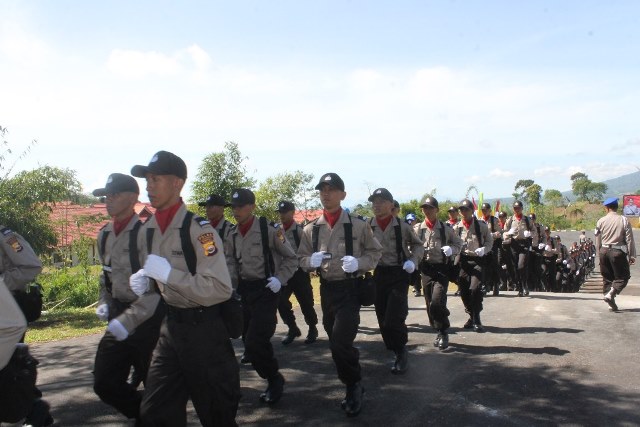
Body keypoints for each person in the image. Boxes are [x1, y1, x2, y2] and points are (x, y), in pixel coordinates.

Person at [130, 150, 240, 426]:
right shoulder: (148, 230)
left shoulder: (198, 230)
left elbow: (219, 287)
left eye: (156, 179)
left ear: (177, 183)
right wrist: (147, 283)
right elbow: (157, 277)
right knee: (155, 412)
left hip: (204, 332)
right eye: (147, 180)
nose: (149, 186)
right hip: (171, 329)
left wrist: (168, 275)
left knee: (216, 415)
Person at [298, 173, 382, 417]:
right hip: (326, 290)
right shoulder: (311, 229)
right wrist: (308, 261)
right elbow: (300, 258)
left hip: (350, 291)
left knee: (340, 342)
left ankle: (353, 384)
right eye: (322, 190)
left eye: (332, 189)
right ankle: (351, 381)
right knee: (336, 343)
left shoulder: (357, 224)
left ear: (343, 195)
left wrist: (359, 263)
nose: (326, 194)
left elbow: (375, 252)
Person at [92, 173, 165, 423]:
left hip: (147, 317)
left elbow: (163, 285)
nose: (107, 200)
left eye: (113, 195)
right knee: (104, 381)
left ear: (133, 198)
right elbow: (106, 277)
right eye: (105, 196)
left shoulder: (148, 234)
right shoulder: (104, 235)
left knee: (155, 385)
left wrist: (151, 282)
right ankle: (143, 415)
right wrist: (104, 302)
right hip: (118, 313)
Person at [224, 189, 297, 405]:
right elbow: (230, 263)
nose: (236, 211)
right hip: (244, 292)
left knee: (256, 341)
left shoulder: (269, 231)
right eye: (234, 207)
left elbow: (291, 259)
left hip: (266, 291)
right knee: (249, 342)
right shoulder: (232, 234)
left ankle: (274, 379)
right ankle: (271, 375)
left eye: (241, 206)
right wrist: (229, 288)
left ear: (252, 207)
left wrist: (280, 279)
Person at [0, 225, 53, 426]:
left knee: (10, 372)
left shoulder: (6, 237)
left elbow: (31, 266)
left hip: (6, 316)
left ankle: (36, 412)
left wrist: (1, 284)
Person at [368, 188, 423, 374]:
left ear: (391, 205)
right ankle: (393, 346)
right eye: (374, 201)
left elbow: (417, 245)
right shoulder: (367, 226)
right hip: (379, 274)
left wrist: (413, 261)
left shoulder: (402, 226)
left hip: (399, 273)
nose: (377, 205)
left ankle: (401, 351)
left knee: (394, 316)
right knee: (382, 318)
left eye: (381, 201)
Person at [413, 196, 463, 350]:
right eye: (424, 208)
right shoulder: (417, 230)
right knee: (430, 304)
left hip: (442, 269)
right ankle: (438, 326)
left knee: (437, 300)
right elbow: (410, 246)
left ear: (437, 210)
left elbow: (458, 243)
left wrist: (451, 250)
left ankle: (443, 330)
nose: (427, 211)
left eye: (430, 208)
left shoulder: (446, 229)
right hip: (426, 269)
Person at [275, 200, 319, 345]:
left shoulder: (299, 231)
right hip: (285, 273)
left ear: (292, 212)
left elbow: (308, 250)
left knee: (306, 303)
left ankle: (312, 328)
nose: (282, 215)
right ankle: (292, 328)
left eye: (285, 212)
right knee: (281, 302)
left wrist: (310, 268)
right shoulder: (278, 231)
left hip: (299, 272)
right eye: (280, 212)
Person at [454, 200, 493, 332]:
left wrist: (484, 250)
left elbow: (489, 241)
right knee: (464, 291)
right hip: (464, 261)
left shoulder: (481, 226)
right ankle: (471, 314)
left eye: (466, 209)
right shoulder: (457, 228)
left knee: (475, 289)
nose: (463, 212)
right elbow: (453, 243)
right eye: (461, 210)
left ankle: (476, 317)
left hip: (478, 261)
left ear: (472, 211)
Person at [595, 197, 637, 311]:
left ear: (607, 208)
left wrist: (599, 254)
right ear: (616, 207)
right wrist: (632, 255)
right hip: (617, 251)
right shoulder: (623, 220)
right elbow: (629, 239)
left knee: (607, 278)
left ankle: (610, 302)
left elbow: (597, 239)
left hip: (604, 251)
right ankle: (611, 294)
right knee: (623, 276)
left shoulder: (601, 221)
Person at [503, 201, 537, 296]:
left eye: (518, 208)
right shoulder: (510, 220)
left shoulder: (527, 220)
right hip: (513, 244)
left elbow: (534, 230)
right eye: (515, 208)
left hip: (524, 244)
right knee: (515, 267)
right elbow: (504, 232)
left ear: (522, 208)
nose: (516, 210)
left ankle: (524, 284)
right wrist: (508, 233)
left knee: (521, 266)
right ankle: (520, 287)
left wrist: (530, 234)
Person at [480, 203, 503, 296]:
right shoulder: (479, 221)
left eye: (486, 210)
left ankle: (496, 284)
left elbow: (499, 232)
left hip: (493, 245)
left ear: (490, 210)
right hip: (483, 246)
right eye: (482, 210)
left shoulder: (494, 220)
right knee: (484, 266)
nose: (484, 212)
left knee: (494, 265)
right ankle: (484, 285)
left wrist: (491, 235)